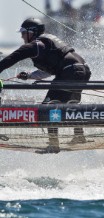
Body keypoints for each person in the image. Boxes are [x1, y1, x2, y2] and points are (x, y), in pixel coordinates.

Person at [0, 18, 91, 153]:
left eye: (24, 32)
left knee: (48, 107)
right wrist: (29, 75)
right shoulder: (45, 44)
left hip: (70, 71)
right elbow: (50, 69)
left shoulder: (35, 45)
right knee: (71, 104)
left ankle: (54, 145)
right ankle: (79, 135)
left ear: (32, 32)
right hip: (82, 69)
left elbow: (11, 59)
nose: (22, 36)